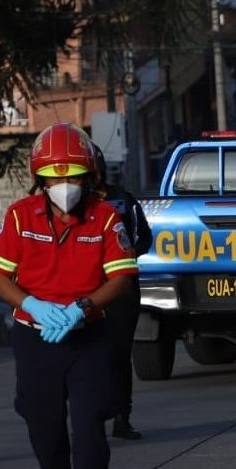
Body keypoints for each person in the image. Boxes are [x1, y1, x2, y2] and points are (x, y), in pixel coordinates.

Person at [0, 122, 139, 469]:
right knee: (45, 431)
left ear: (88, 178)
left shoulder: (106, 217)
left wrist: (83, 307)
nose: (64, 186)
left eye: (72, 177)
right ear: (41, 180)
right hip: (36, 338)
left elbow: (121, 278)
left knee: (89, 432)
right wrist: (31, 305)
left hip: (88, 335)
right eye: (55, 178)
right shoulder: (20, 216)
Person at [90, 145, 152, 440]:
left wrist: (125, 258)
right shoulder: (75, 204)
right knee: (91, 356)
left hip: (123, 291)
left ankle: (122, 417)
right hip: (87, 290)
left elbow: (145, 237)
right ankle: (91, 416)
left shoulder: (123, 200)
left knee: (119, 355)